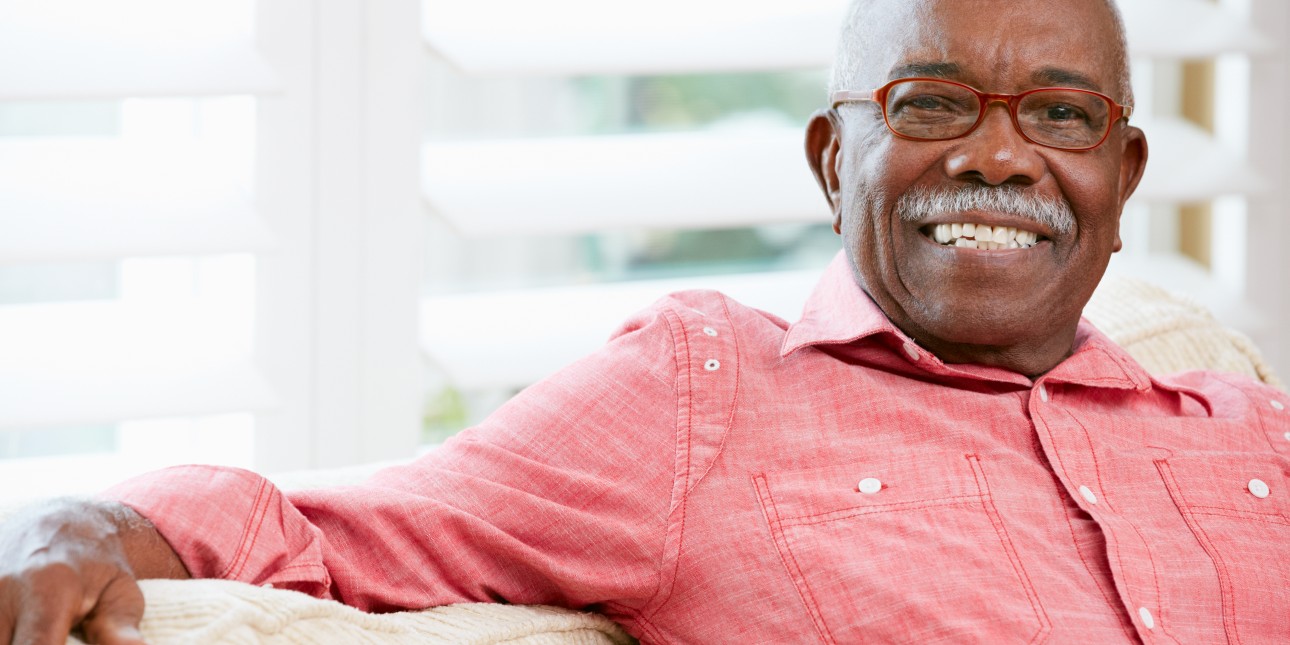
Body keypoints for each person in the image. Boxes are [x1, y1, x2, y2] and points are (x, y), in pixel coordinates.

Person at [3, 0, 1288, 642]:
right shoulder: (703, 397)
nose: (1001, 161)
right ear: (834, 167)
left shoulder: (1254, 430)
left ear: (1121, 183)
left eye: (1059, 117)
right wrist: (74, 522)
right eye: (932, 103)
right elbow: (337, 528)